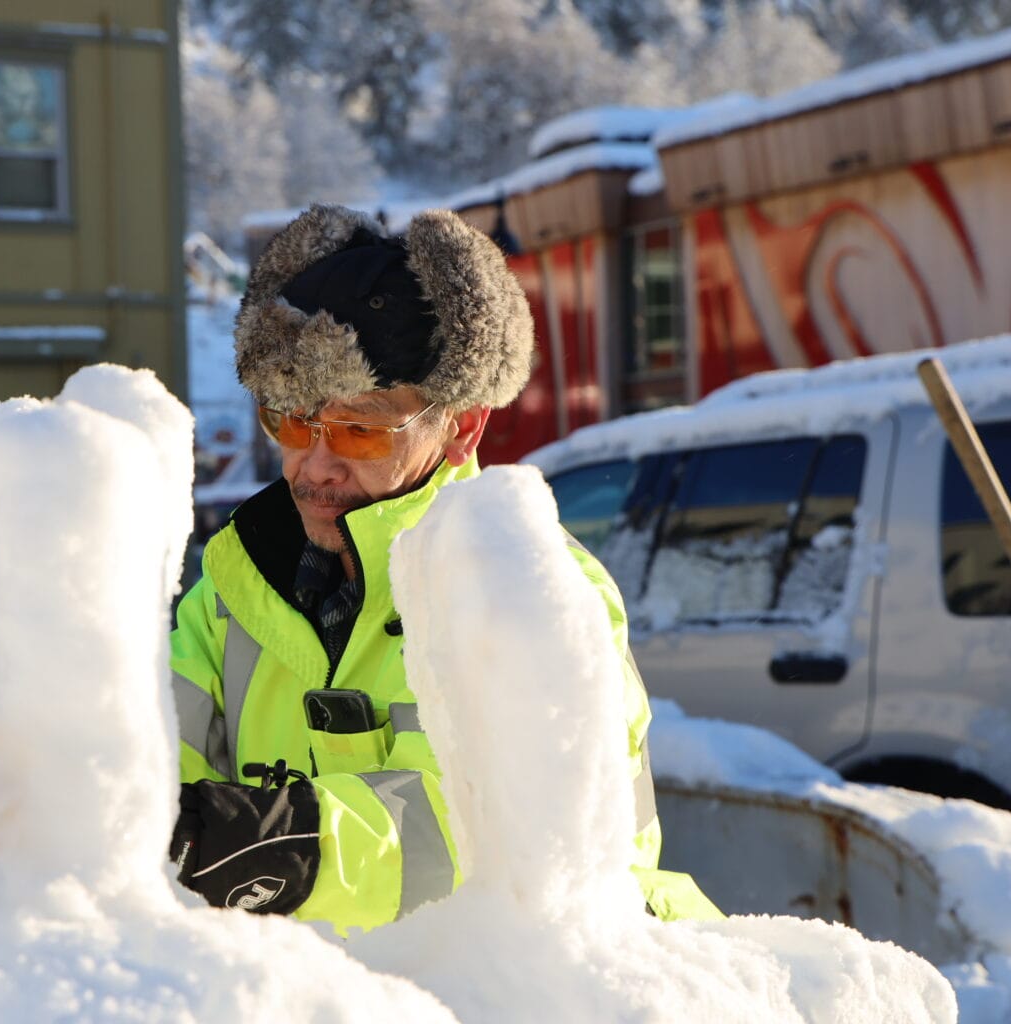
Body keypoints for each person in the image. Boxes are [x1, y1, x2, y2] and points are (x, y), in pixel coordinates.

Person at [168, 204, 719, 932]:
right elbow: (150, 756)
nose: (317, 466)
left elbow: (506, 837)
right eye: (292, 422)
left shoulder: (531, 589)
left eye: (360, 429)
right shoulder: (229, 593)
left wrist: (286, 843)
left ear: (462, 427)